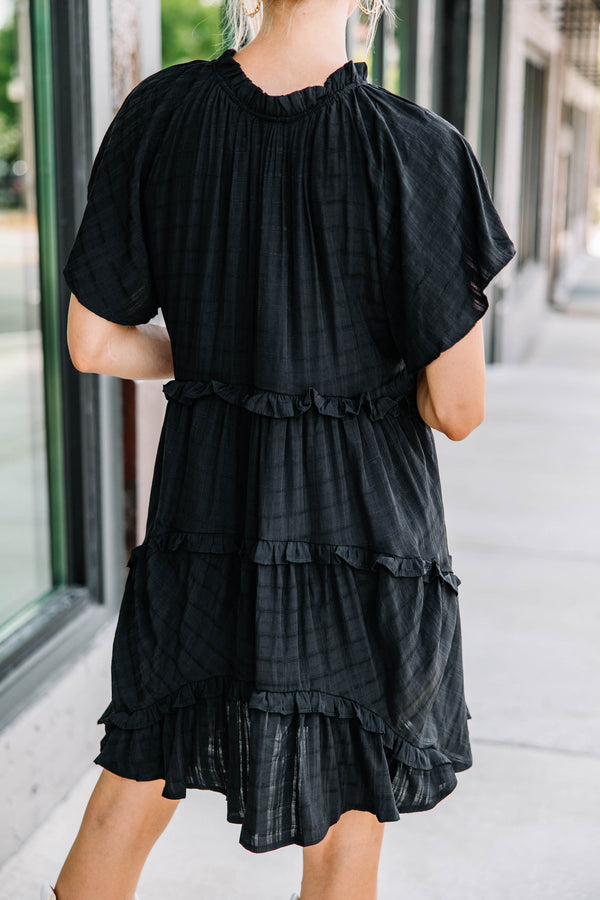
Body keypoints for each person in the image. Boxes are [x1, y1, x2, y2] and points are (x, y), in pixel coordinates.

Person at [46, 0, 516, 895]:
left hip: (203, 521)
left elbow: (93, 342)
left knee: (127, 792)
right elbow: (457, 408)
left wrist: (233, 358)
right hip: (361, 540)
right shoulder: (416, 149)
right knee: (344, 833)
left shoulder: (160, 113)